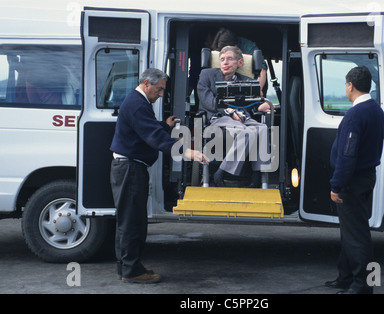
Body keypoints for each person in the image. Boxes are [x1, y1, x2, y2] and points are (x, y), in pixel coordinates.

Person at [110, 68, 208, 284]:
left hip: (129, 168)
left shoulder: (137, 102)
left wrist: (165, 125)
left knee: (128, 221)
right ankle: (132, 272)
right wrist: (187, 152)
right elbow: (153, 137)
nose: (162, 94)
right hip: (130, 169)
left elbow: (146, 130)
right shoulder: (137, 104)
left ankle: (127, 267)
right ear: (146, 83)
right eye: (160, 89)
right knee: (132, 223)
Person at [326, 66, 384, 294]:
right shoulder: (377, 112)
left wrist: (337, 184)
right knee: (351, 231)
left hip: (353, 181)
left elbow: (348, 154)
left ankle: (365, 285)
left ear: (350, 85)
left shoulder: (355, 114)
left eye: (345, 85)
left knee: (358, 235)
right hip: (367, 176)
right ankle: (345, 277)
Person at [197, 46, 271, 187]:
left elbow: (253, 103)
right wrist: (231, 112)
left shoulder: (248, 81)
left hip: (242, 118)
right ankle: (223, 171)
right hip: (218, 118)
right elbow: (207, 101)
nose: (225, 62)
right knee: (247, 132)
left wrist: (261, 106)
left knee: (261, 129)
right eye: (222, 59)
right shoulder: (206, 75)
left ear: (240, 63)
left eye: (230, 59)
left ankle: (259, 177)